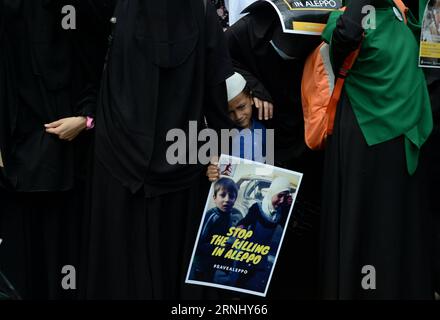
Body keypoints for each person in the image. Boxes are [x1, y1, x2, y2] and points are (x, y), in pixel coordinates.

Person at [83, 0, 235, 299]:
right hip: (179, 152)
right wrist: (216, 147)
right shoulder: (200, 11)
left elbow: (88, 65)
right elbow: (215, 87)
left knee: (120, 264)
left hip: (121, 151)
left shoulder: (118, 7)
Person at [319, 0, 434, 299]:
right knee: (368, 228)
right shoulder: (343, 22)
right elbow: (345, 36)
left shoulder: (401, 13)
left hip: (400, 143)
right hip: (365, 145)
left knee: (398, 225)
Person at [0, 0, 109, 299]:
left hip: (68, 159)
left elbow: (98, 72)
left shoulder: (73, 13)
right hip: (17, 164)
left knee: (64, 259)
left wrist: (85, 119)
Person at [225, 2, 323, 298]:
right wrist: (253, 88)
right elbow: (219, 57)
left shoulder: (325, 24)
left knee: (305, 227)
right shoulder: (245, 30)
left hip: (308, 136)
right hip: (265, 140)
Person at [234, 176, 293, 292]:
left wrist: (289, 208)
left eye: (285, 197)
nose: (281, 200)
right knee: (242, 271)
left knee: (254, 272)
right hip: (250, 247)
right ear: (272, 192)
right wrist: (241, 226)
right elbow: (247, 219)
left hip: (263, 250)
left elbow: (288, 225)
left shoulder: (281, 212)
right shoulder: (258, 207)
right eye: (279, 195)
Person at [206, 72, 267, 182]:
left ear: (251, 98)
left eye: (242, 107)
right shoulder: (221, 137)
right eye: (230, 112)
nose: (238, 116)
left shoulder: (262, 130)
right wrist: (212, 171)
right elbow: (214, 166)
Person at [191, 177, 242, 285]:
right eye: (222, 195)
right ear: (214, 198)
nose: (227, 199)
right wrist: (219, 247)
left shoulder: (228, 214)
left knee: (210, 278)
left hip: (214, 260)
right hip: (202, 261)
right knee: (199, 281)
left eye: (231, 196)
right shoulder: (212, 216)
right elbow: (199, 243)